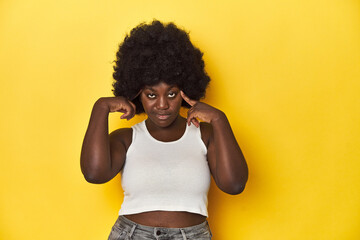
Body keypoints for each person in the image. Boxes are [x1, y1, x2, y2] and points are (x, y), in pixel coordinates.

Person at [80, 20, 248, 240]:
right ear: (136, 94)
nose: (162, 105)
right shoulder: (127, 138)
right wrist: (100, 107)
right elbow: (94, 174)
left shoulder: (204, 135)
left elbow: (234, 184)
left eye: (172, 93)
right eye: (151, 95)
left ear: (186, 91)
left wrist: (219, 119)